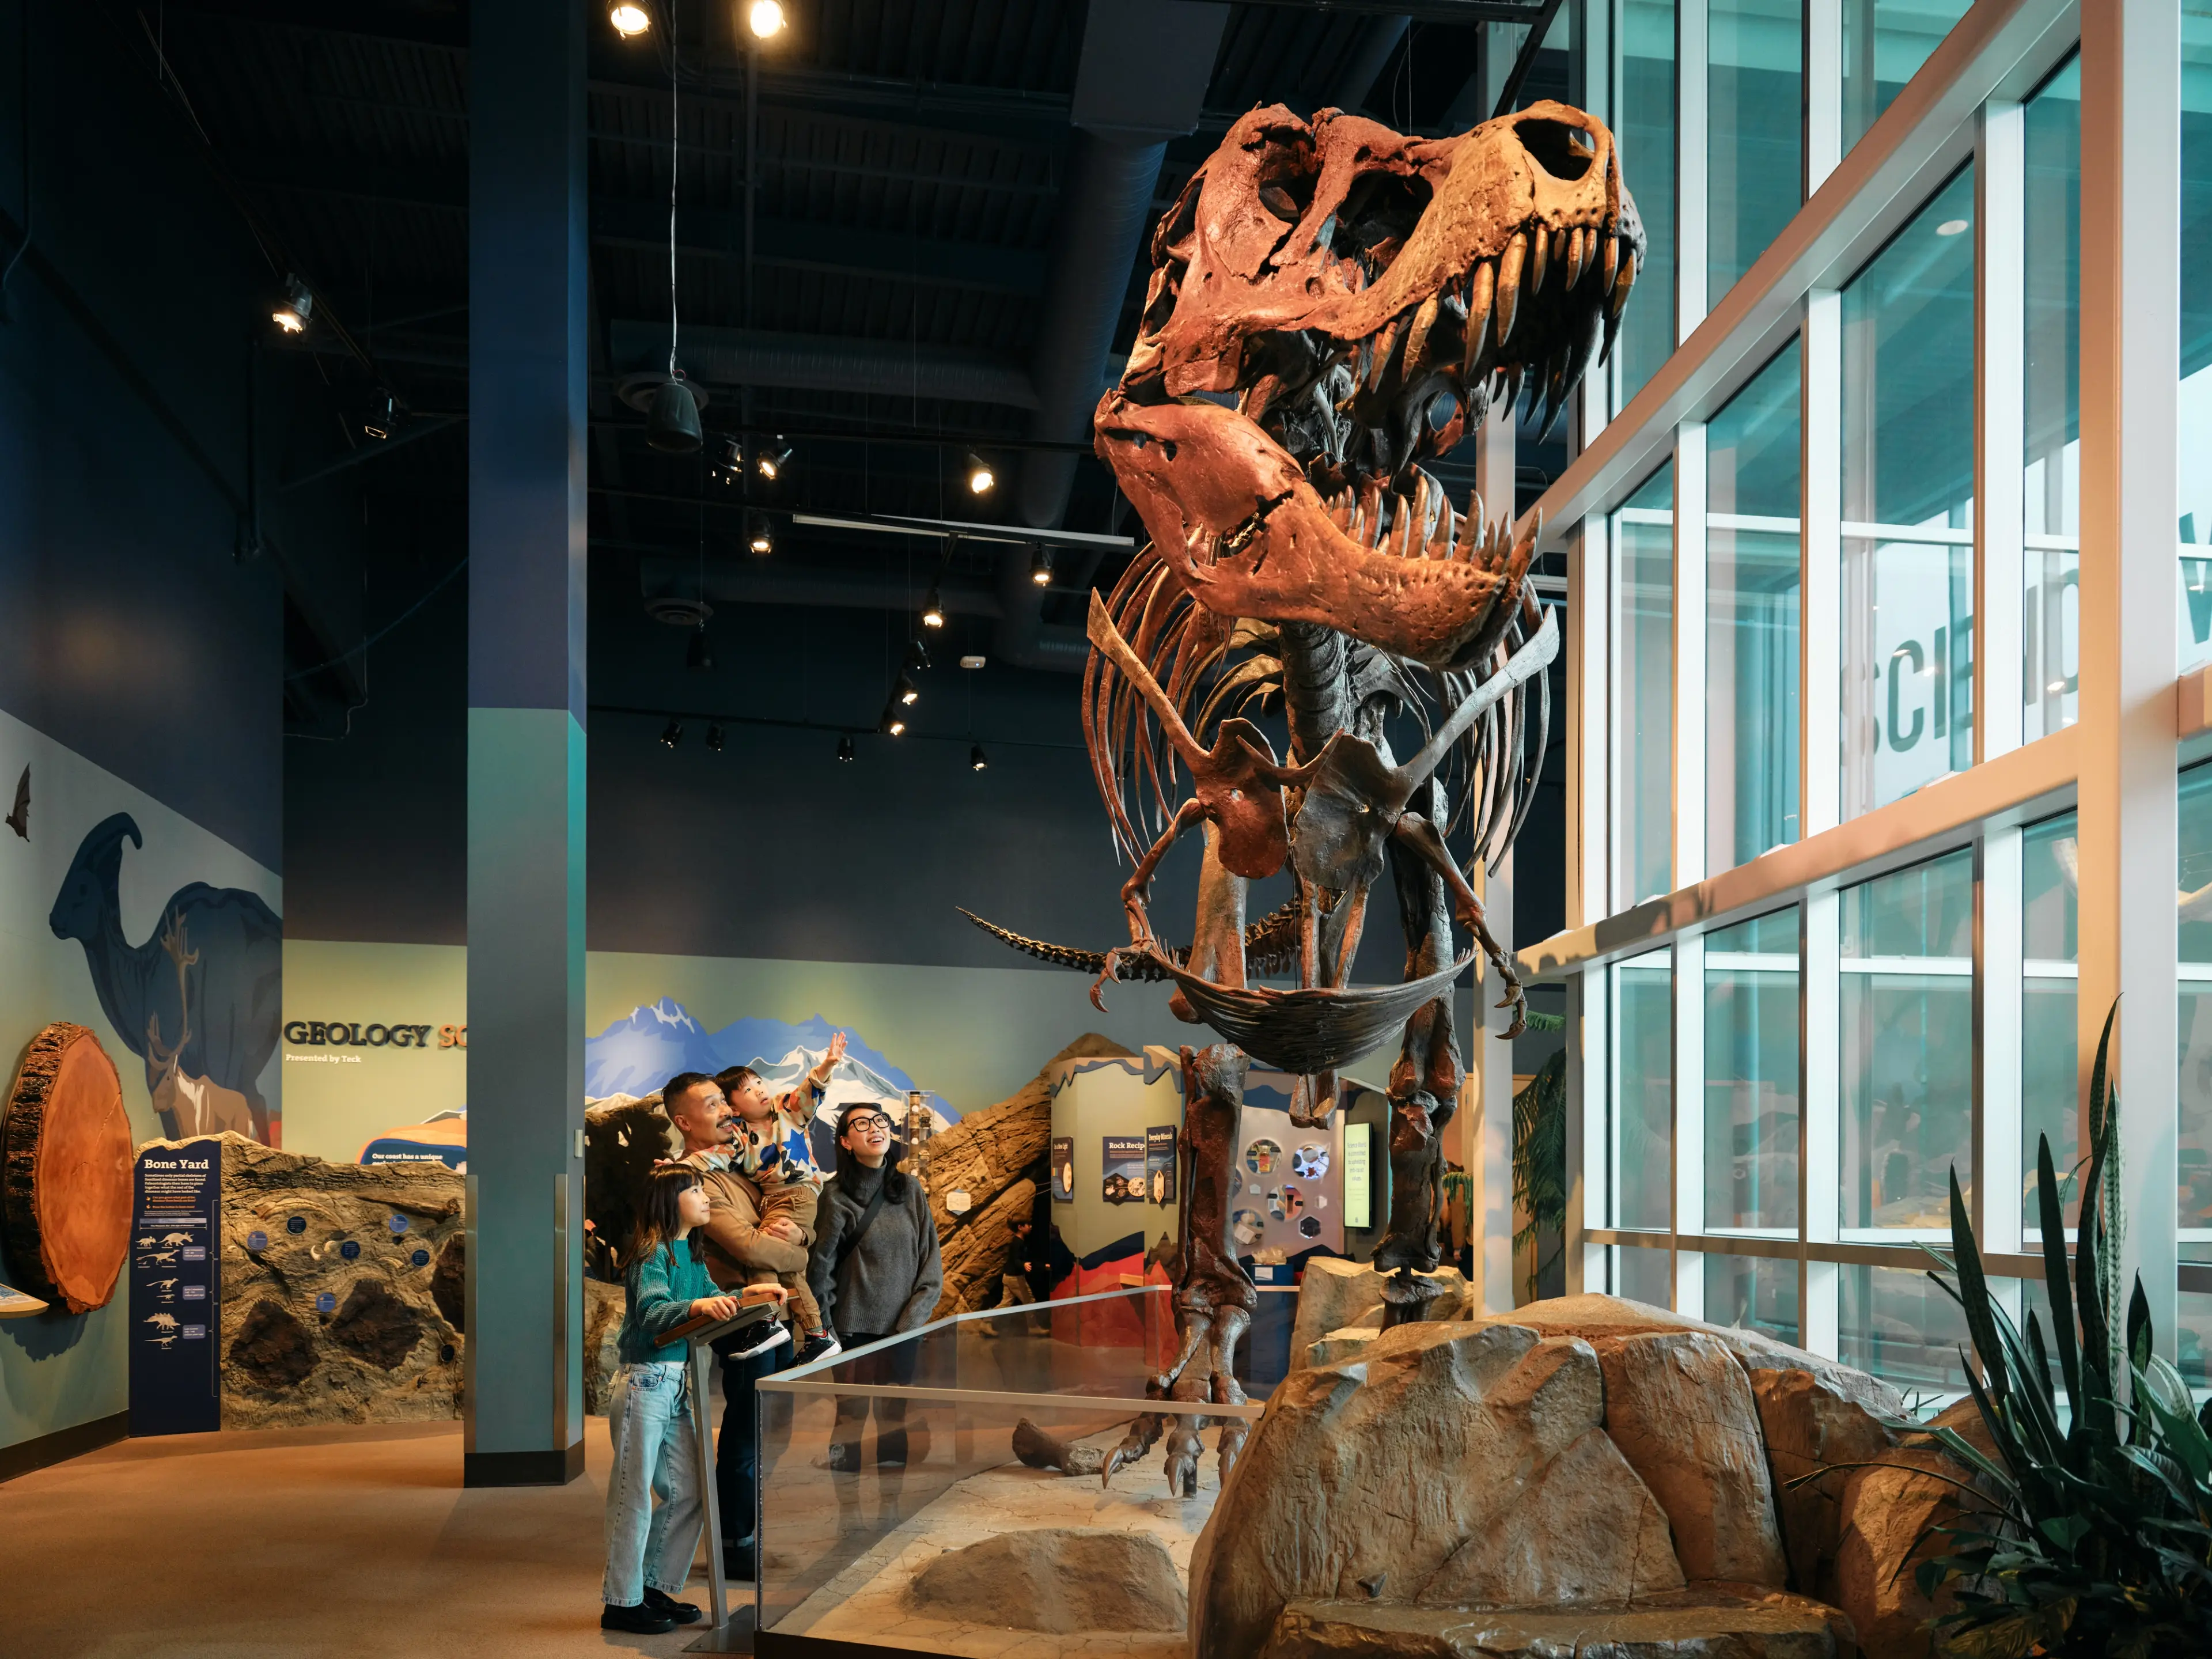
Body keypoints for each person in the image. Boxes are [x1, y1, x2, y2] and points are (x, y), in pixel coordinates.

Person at [664, 1071, 809, 1583]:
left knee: (762, 1432)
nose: (726, 1111)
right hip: (744, 1318)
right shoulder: (690, 1177)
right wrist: (802, 1253)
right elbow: (745, 1245)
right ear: (684, 1121)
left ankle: (743, 1534)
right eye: (711, 1104)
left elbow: (782, 1210)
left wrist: (799, 1231)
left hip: (771, 1311)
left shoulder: (736, 1164)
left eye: (725, 1102)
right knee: (746, 1433)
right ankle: (735, 1543)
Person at [601, 1165, 737, 1635]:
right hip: (646, 1381)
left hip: (679, 1384)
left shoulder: (692, 1256)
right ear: (669, 1199)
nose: (705, 1197)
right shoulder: (650, 1252)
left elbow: (715, 1300)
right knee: (634, 1492)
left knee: (692, 1491)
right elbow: (653, 1312)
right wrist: (698, 1307)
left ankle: (653, 1585)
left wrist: (748, 1297)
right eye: (696, 1189)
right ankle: (622, 1601)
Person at [808, 1101, 943, 1472]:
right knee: (850, 1415)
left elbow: (930, 1261)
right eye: (863, 1123)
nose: (875, 1128)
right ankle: (845, 1504)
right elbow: (821, 1269)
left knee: (893, 1415)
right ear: (846, 1141)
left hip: (902, 1331)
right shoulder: (835, 1197)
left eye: (880, 1120)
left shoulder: (910, 1189)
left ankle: (893, 1512)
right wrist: (827, 1329)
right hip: (852, 1330)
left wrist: (913, 1321)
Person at [714, 1029, 848, 1366]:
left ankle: (766, 1321)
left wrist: (826, 1067)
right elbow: (717, 1156)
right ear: (733, 1106)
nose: (759, 1089)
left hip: (797, 1193)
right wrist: (680, 1164)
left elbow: (809, 1093)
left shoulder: (785, 1109)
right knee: (786, 1269)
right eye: (747, 1089)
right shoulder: (739, 1135)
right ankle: (816, 1335)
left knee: (762, 1254)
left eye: (759, 1082)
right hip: (774, 1198)